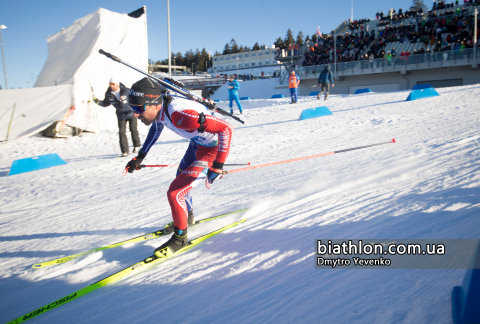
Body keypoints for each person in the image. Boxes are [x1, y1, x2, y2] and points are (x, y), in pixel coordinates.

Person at [125, 77, 233, 258]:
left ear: (154, 104)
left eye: (138, 109)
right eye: (132, 109)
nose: (135, 114)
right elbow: (156, 129)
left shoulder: (180, 115)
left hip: (211, 150)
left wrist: (218, 165)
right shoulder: (160, 109)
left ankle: (180, 237)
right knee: (180, 179)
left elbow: (226, 129)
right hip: (196, 145)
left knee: (176, 193)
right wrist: (140, 157)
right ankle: (187, 217)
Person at [94, 77, 140, 157]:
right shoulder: (109, 94)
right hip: (120, 114)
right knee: (121, 132)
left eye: (113, 84)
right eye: (110, 84)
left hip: (131, 112)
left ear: (117, 84)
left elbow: (135, 99)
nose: (111, 86)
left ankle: (136, 146)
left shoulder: (126, 90)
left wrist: (137, 108)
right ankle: (124, 151)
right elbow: (105, 103)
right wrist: (96, 101)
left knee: (133, 129)